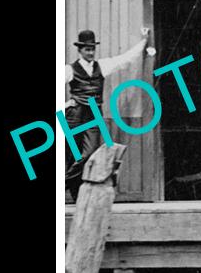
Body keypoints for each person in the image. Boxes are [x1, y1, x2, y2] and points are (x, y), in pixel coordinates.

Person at [64, 28, 150, 202]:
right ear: (80, 50)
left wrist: (144, 40)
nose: (90, 52)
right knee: (71, 154)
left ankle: (63, 183)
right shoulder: (69, 69)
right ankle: (76, 194)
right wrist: (65, 104)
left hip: (94, 114)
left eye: (92, 49)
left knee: (88, 154)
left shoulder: (102, 66)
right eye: (87, 49)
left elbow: (125, 59)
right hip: (74, 114)